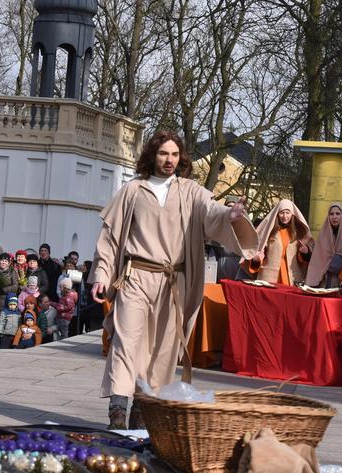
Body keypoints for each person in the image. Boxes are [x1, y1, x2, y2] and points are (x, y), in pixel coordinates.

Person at [89, 130, 257, 429]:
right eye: (164, 153)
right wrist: (102, 273)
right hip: (135, 276)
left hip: (173, 283)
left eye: (174, 154)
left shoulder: (190, 191)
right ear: (152, 155)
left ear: (181, 158)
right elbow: (111, 237)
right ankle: (117, 411)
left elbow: (212, 211)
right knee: (126, 342)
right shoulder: (133, 190)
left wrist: (230, 216)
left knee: (162, 351)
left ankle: (142, 410)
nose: (169, 159)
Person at [247, 199, 313, 285]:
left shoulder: (298, 233)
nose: (284, 216)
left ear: (292, 214)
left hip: (291, 278)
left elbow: (302, 260)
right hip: (269, 277)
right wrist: (256, 259)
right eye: (282, 213)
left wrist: (305, 253)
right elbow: (260, 252)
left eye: (287, 213)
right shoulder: (269, 232)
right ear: (277, 214)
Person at [305, 203, 342, 288]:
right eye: (331, 214)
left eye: (338, 214)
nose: (334, 217)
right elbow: (317, 259)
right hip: (323, 281)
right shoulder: (323, 235)